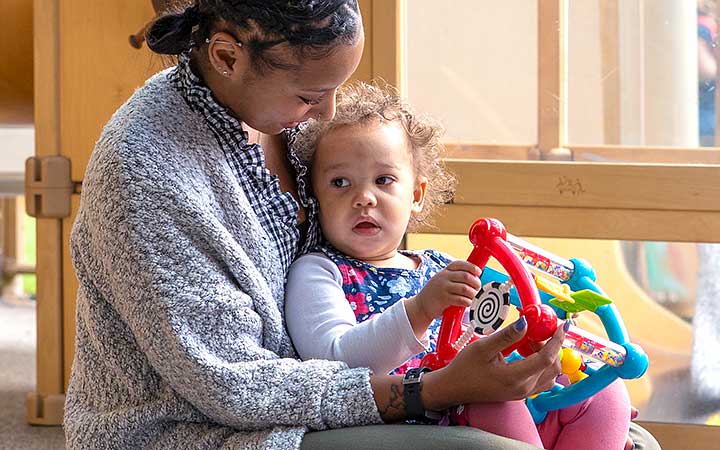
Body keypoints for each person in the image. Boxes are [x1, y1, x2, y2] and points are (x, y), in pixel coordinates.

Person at [64, 1, 662, 449]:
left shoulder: (274, 112)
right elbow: (232, 388)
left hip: (327, 391)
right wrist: (434, 392)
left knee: (616, 424)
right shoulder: (149, 173)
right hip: (210, 429)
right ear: (225, 57)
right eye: (311, 93)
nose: (326, 115)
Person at [286, 82, 641, 450]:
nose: (363, 198)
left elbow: (493, 332)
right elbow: (333, 360)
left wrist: (541, 343)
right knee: (493, 398)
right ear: (315, 199)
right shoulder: (319, 270)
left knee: (606, 392)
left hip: (500, 403)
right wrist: (421, 310)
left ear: (417, 195)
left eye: (383, 180)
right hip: (427, 420)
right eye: (340, 183)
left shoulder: (443, 266)